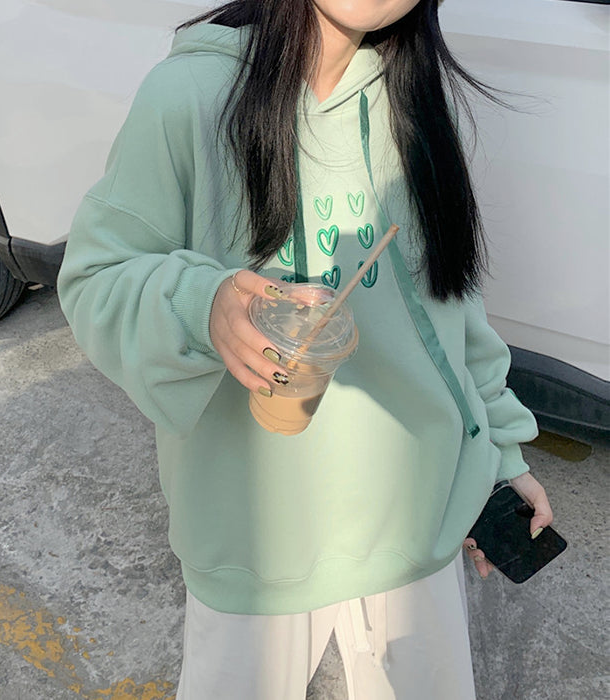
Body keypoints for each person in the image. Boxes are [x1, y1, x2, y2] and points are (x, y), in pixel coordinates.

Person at [57, 1, 554, 698]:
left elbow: (452, 306)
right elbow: (95, 279)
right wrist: (204, 305)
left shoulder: (414, 97)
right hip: (255, 541)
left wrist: (500, 452)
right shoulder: (189, 97)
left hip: (415, 526)